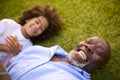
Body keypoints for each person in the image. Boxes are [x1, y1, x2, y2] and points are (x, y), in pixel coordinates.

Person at [1, 36, 111, 80]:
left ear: (98, 69)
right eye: (88, 41)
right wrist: (12, 54)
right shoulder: (38, 49)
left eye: (99, 51)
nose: (89, 47)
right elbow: (9, 66)